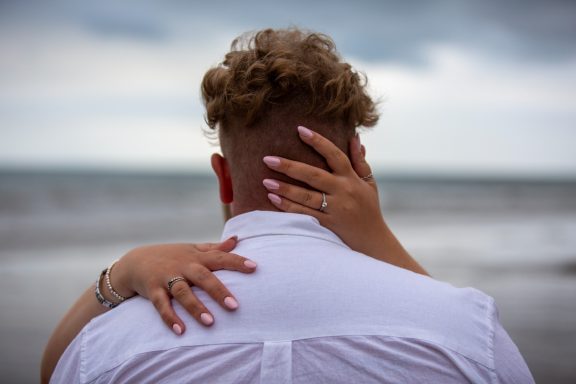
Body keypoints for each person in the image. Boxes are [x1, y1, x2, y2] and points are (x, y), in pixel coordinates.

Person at [47, 28, 534, 383]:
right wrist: (380, 240)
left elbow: (55, 371)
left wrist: (120, 273)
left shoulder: (107, 346)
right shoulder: (464, 331)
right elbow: (475, 347)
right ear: (357, 164)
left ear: (223, 177)